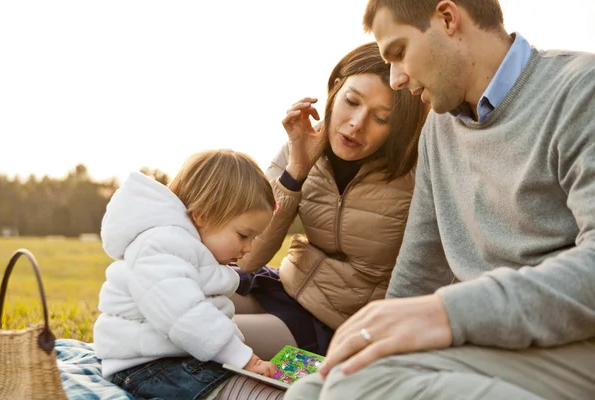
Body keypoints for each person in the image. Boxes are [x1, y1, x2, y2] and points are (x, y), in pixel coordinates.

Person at [286, 0, 595, 399]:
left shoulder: (580, 90)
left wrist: (447, 312)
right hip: (488, 343)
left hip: (574, 343)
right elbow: (419, 267)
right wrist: (376, 338)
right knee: (309, 391)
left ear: (448, 19)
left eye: (399, 53)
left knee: (358, 387)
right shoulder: (438, 128)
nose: (396, 79)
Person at [232, 41, 428, 360]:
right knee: (167, 306)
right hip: (282, 284)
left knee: (196, 338)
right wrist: (296, 170)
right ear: (335, 90)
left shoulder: (415, 173)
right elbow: (249, 258)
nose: (356, 123)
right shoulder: (300, 146)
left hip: (336, 324)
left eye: (381, 117)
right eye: (352, 101)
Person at [93, 150, 280, 400]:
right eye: (243, 235)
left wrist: (242, 357)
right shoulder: (160, 246)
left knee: (247, 383)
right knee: (247, 393)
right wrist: (243, 358)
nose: (248, 248)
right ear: (202, 215)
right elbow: (186, 316)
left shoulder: (187, 247)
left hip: (176, 356)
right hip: (144, 365)